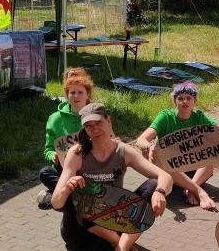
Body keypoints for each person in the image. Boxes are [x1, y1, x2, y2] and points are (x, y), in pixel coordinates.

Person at [52, 103, 173, 251]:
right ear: (84, 129)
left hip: (114, 220)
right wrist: (67, 188)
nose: (95, 129)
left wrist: (160, 192)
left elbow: (165, 176)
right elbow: (56, 203)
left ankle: (120, 246)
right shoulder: (77, 154)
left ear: (108, 121)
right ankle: (118, 243)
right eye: (89, 126)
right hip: (84, 230)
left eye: (98, 123)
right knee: (79, 194)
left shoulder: (123, 151)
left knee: (154, 184)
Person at [133, 81, 219, 211]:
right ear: (175, 101)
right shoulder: (165, 117)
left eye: (189, 98)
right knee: (151, 153)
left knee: (213, 154)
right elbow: (141, 140)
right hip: (170, 167)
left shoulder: (199, 117)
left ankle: (190, 189)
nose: (185, 101)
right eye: (180, 98)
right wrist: (150, 146)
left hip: (192, 166)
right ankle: (199, 191)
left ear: (194, 101)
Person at [37, 68, 93, 209]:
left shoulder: (96, 115)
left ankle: (59, 195)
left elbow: (108, 139)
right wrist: (53, 155)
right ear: (67, 95)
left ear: (87, 95)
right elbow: (48, 148)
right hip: (64, 170)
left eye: (80, 92)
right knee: (44, 172)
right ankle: (73, 195)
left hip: (91, 169)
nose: (76, 96)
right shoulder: (55, 119)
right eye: (72, 92)